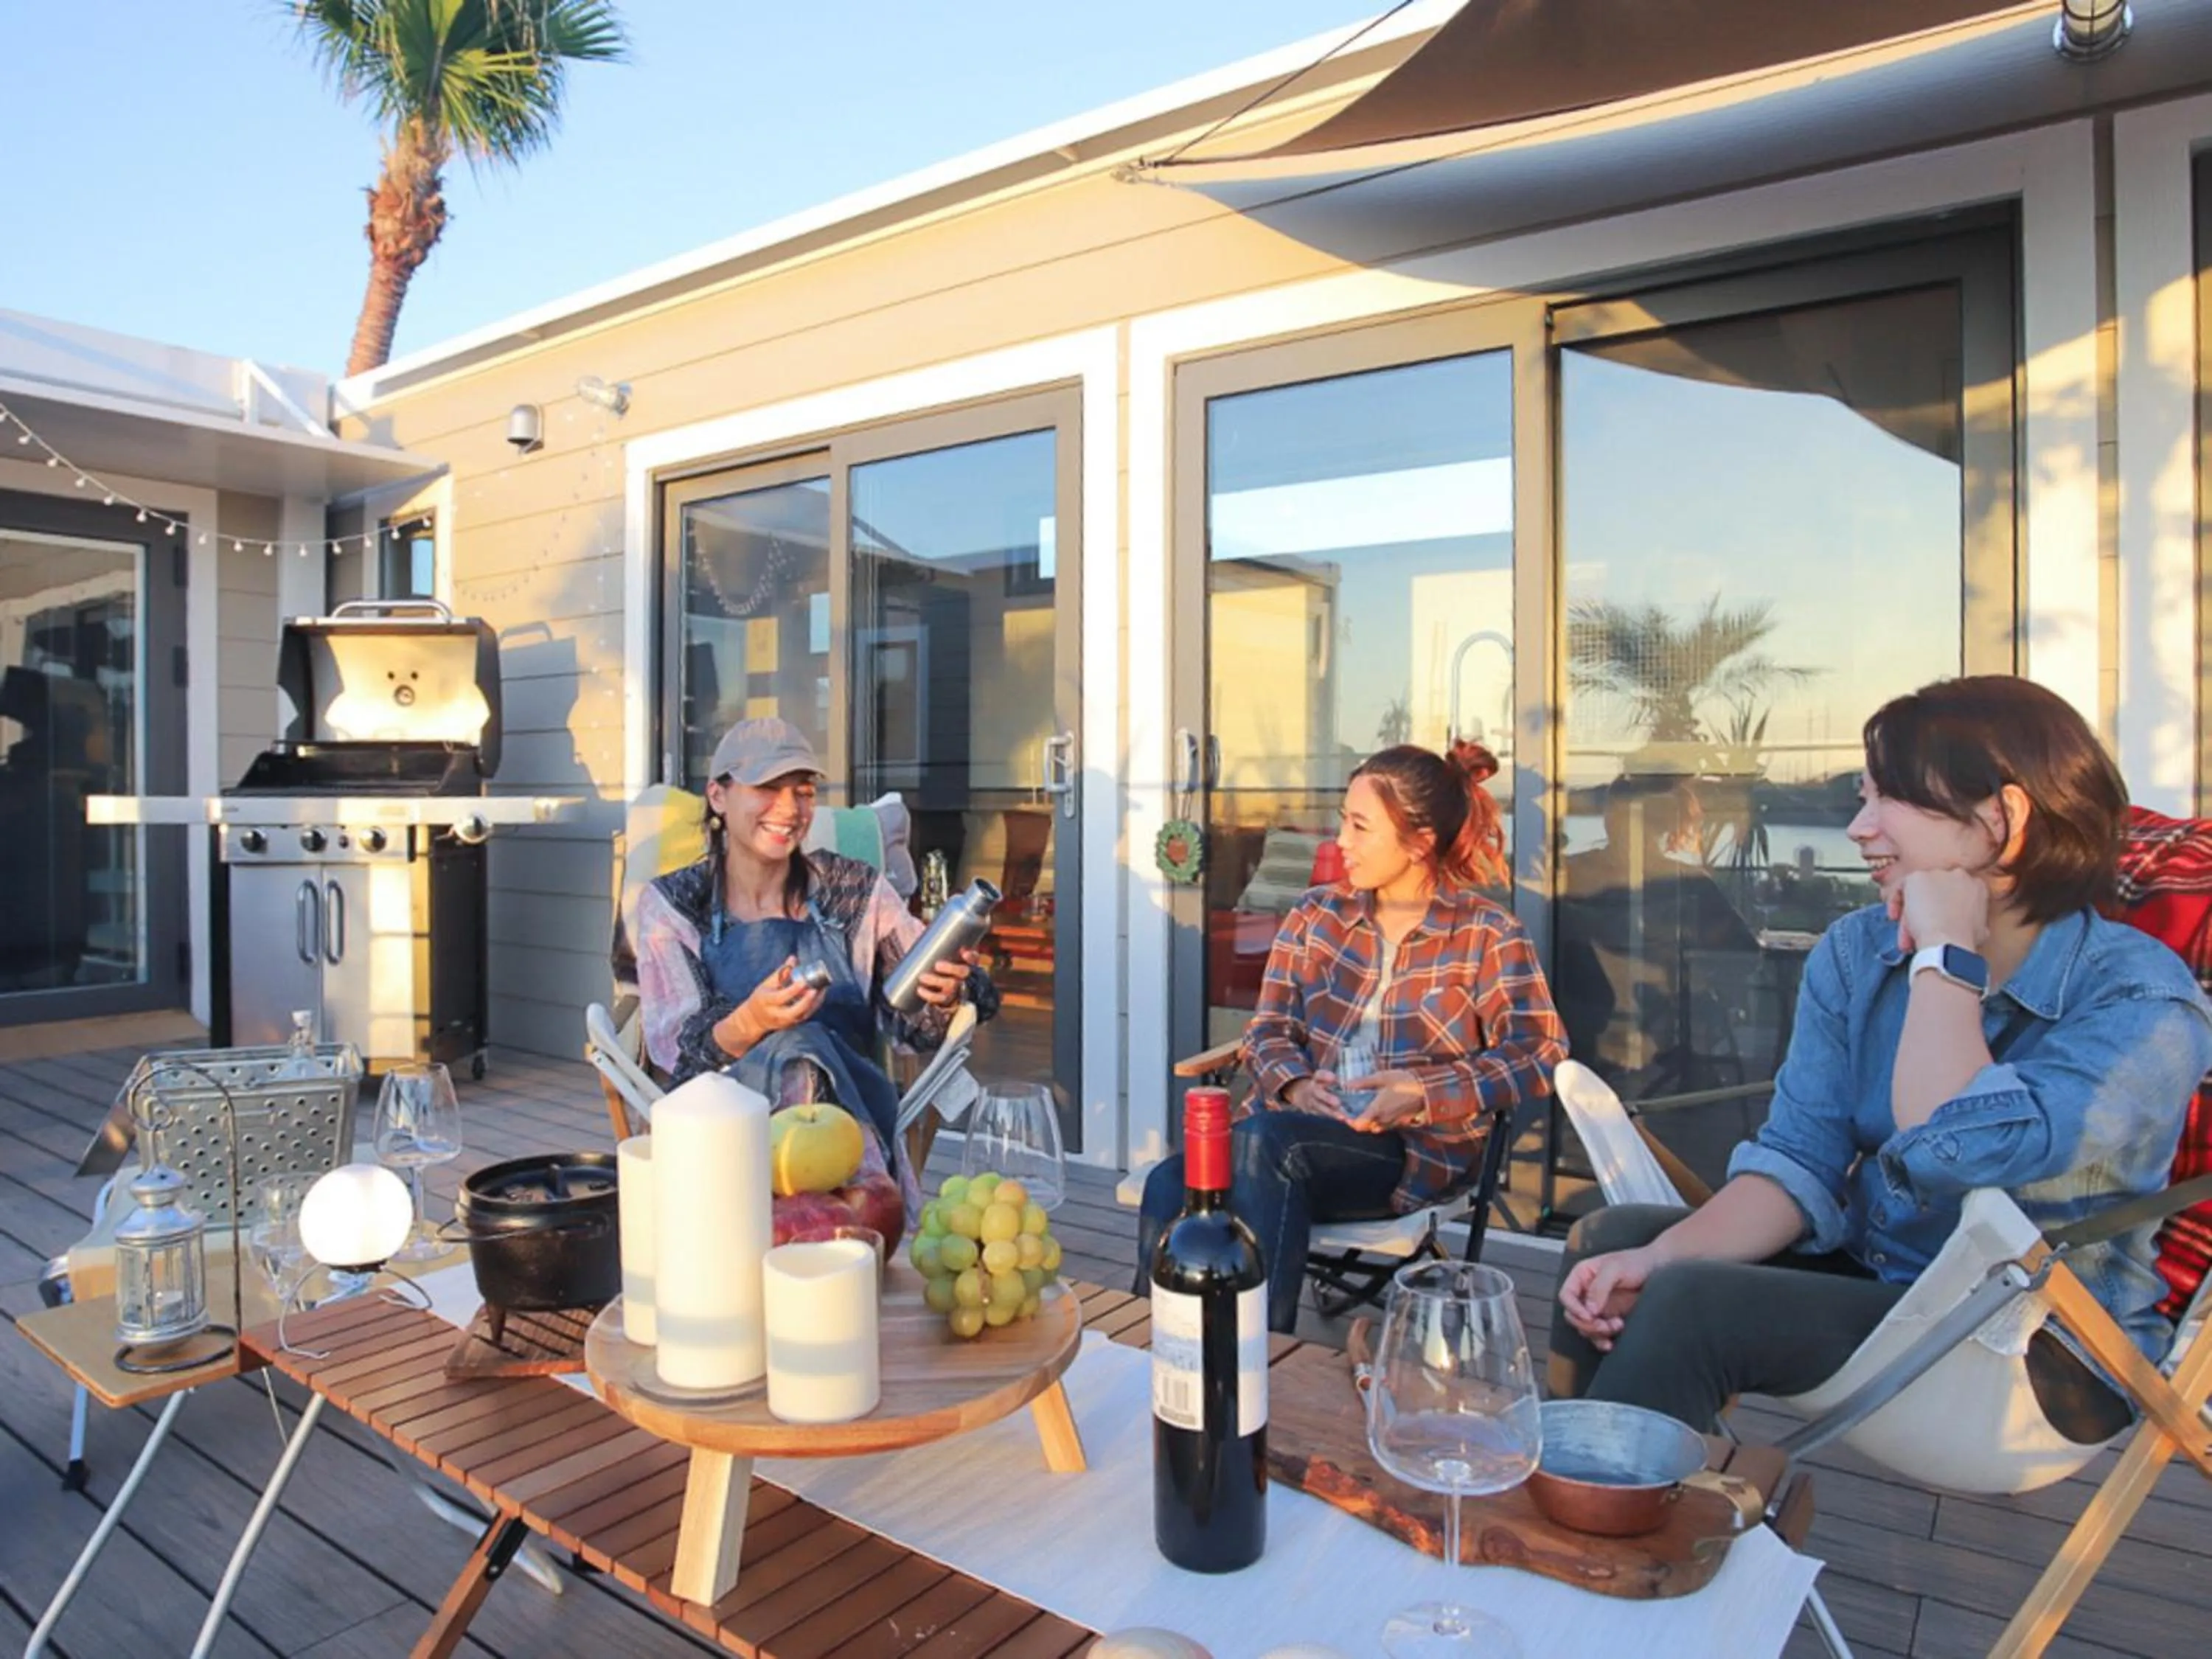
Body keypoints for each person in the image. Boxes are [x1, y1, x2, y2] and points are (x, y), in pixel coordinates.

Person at [1553, 676, 2212, 1439]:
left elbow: (1953, 1145)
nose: (1859, 828)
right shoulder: (1860, 950)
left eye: (1886, 800)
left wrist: (1944, 956)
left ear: (2004, 815)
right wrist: (1660, 1257)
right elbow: (1800, 1159)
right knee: (1614, 1249)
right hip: (1883, 1275)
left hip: (2037, 1346)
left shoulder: (2140, 1004)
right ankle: (1588, 1511)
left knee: (1692, 1305)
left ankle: (1601, 1530)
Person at [1137, 741, 1568, 1333]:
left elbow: (1541, 1052)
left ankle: (1259, 1370)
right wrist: (1294, 1086)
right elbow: (1267, 1029)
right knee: (1171, 1181)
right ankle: (1158, 1361)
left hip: (1401, 1150)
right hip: (1293, 1129)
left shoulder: (1487, 934)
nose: (1341, 841)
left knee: (1264, 1147)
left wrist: (1423, 1091)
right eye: (1344, 821)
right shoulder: (1318, 914)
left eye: (1361, 827)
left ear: (1419, 842)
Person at [631, 717, 998, 1169]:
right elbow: (681, 1058)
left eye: (803, 792)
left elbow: (910, 1027)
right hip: (726, 1144)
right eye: (768, 787)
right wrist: (751, 1021)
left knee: (808, 1047)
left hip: (848, 1128)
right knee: (796, 1049)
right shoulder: (675, 904)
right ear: (718, 796)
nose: (790, 809)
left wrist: (942, 996)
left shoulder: (854, 890)